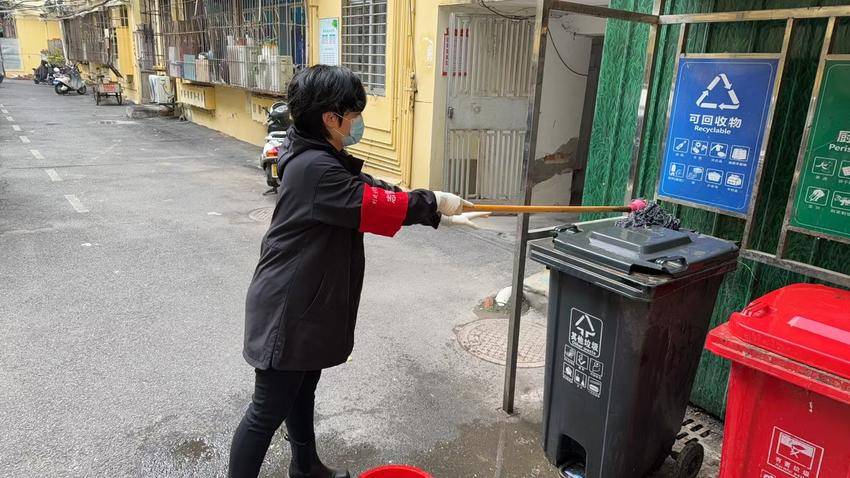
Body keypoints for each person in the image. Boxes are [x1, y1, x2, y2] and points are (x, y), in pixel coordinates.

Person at [228, 65, 486, 478]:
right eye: (354, 114)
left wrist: (438, 215)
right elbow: (371, 205)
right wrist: (433, 201)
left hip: (304, 300)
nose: (357, 122)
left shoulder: (317, 152)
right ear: (331, 118)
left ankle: (306, 468)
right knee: (266, 411)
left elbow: (371, 187)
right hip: (287, 308)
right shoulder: (314, 168)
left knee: (302, 389)